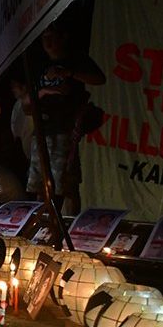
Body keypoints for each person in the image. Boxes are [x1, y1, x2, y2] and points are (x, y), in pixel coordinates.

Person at [26, 21, 105, 214]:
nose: (48, 41)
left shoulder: (75, 59)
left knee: (64, 183)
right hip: (42, 127)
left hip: (65, 127)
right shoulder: (39, 64)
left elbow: (99, 78)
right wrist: (45, 91)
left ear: (63, 37)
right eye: (44, 37)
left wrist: (69, 73)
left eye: (52, 36)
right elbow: (28, 99)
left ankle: (65, 224)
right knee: (40, 182)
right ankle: (43, 224)